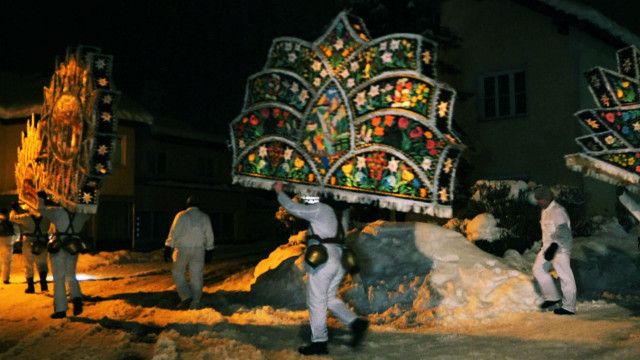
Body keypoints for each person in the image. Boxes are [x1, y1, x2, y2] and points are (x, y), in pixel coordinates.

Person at [273, 181, 368, 356]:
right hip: (339, 257)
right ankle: (356, 323)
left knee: (316, 301)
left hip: (324, 258)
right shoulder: (343, 213)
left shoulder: (320, 209)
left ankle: (319, 342)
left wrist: (280, 192)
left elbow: (295, 208)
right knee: (329, 298)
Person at [37, 192, 92, 319]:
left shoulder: (58, 212)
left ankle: (61, 310)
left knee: (59, 278)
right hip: (74, 246)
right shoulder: (81, 214)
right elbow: (89, 213)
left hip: (60, 245)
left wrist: (41, 198)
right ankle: (77, 299)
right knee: (71, 275)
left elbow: (41, 209)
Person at [532, 185, 577, 315]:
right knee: (538, 269)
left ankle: (569, 307)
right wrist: (545, 246)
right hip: (547, 248)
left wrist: (553, 247)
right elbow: (547, 231)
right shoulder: (544, 210)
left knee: (565, 277)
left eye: (540, 199)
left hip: (560, 248)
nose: (538, 201)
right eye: (537, 199)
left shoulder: (558, 211)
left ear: (547, 198)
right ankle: (552, 297)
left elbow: (563, 233)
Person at [164, 195, 214, 310]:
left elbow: (173, 232)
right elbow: (209, 235)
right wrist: (210, 249)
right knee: (196, 276)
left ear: (187, 204)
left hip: (182, 249)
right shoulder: (204, 217)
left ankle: (186, 296)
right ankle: (195, 302)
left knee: (178, 272)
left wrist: (168, 246)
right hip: (199, 250)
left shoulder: (181, 215)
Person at [10, 202, 51, 293]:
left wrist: (14, 210)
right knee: (43, 264)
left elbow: (12, 218)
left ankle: (31, 287)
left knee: (28, 264)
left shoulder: (26, 217)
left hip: (28, 241)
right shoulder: (46, 218)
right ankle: (44, 285)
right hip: (42, 242)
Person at [0, 208, 20, 284]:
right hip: (7, 241)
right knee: (6, 262)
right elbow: (17, 232)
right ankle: (5, 279)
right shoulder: (10, 222)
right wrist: (14, 240)